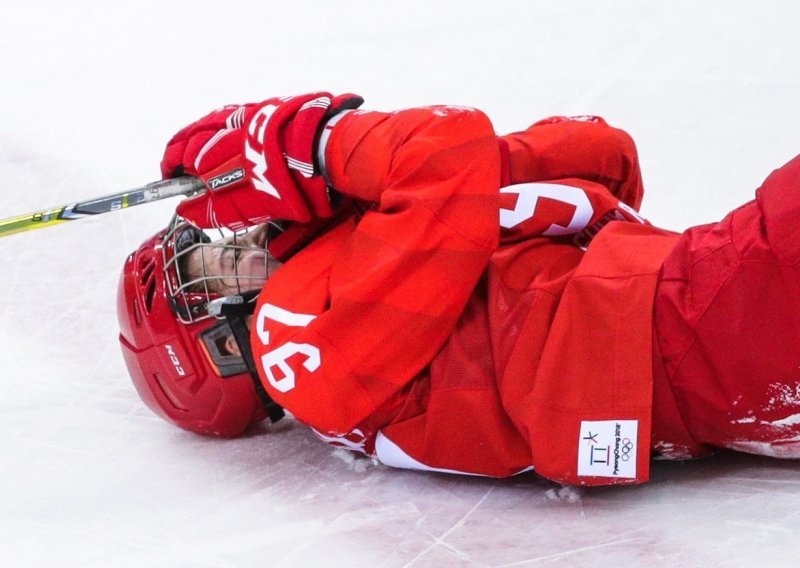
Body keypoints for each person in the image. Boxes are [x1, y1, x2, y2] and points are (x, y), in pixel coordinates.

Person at [118, 92, 800, 487]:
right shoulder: (298, 342)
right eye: (212, 276)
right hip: (697, 319)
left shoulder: (371, 273)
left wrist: (364, 184)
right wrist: (311, 144)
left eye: (220, 250)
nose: (236, 249)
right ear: (219, 347)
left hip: (703, 338)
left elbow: (604, 156)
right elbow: (445, 151)